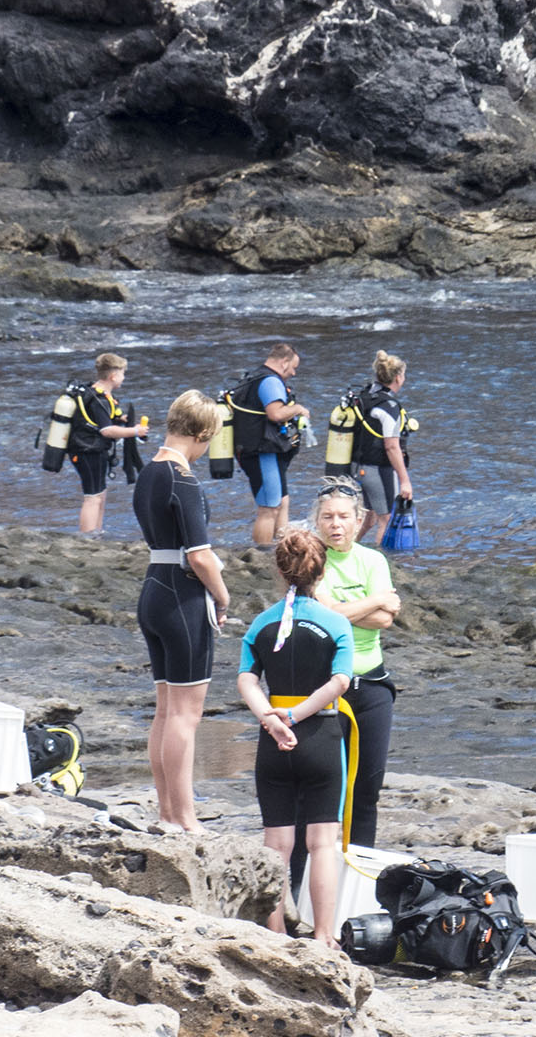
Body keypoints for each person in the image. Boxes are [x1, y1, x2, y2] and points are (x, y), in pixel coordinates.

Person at [237, 530, 354, 947]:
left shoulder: (262, 622)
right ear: (321, 571)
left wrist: (272, 718)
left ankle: (276, 932)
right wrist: (296, 715)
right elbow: (340, 681)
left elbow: (247, 678)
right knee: (322, 843)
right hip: (320, 733)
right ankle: (324, 935)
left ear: (280, 570)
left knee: (276, 845)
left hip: (273, 743)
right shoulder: (336, 621)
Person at [134, 390, 232, 832]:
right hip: (182, 596)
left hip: (153, 588)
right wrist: (223, 595)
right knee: (185, 715)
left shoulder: (148, 471)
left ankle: (166, 813)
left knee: (164, 710)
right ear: (203, 433)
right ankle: (186, 819)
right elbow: (200, 555)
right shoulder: (182, 479)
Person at [312, 479, 400, 846]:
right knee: (325, 791)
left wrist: (344, 611)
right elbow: (327, 614)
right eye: (328, 517)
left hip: (373, 686)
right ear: (316, 521)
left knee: (367, 790)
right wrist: (375, 600)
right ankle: (320, 870)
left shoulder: (372, 559)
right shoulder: (311, 560)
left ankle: (361, 867)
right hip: (326, 686)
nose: (336, 524)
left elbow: (386, 620)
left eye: (344, 517)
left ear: (360, 519)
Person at [227, 344, 311, 546]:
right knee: (269, 507)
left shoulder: (256, 377)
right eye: (293, 367)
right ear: (284, 362)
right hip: (262, 452)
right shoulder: (271, 381)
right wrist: (299, 409)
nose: (293, 372)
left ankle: (282, 547)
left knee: (282, 501)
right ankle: (262, 554)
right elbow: (275, 413)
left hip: (256, 449)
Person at [66, 353, 150, 535]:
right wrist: (135, 431)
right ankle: (87, 537)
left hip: (93, 450)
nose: (124, 378)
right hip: (87, 452)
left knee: (100, 494)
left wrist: (122, 420)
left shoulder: (97, 393)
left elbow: (105, 421)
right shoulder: (100, 400)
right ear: (113, 376)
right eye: (122, 374)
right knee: (92, 497)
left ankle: (97, 531)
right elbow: (107, 431)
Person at [350, 351, 415, 546]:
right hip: (377, 470)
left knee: (369, 518)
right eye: (403, 375)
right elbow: (392, 446)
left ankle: (344, 550)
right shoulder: (390, 407)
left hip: (357, 467)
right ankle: (384, 564)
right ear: (398, 377)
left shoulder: (365, 396)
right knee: (386, 519)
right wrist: (405, 481)